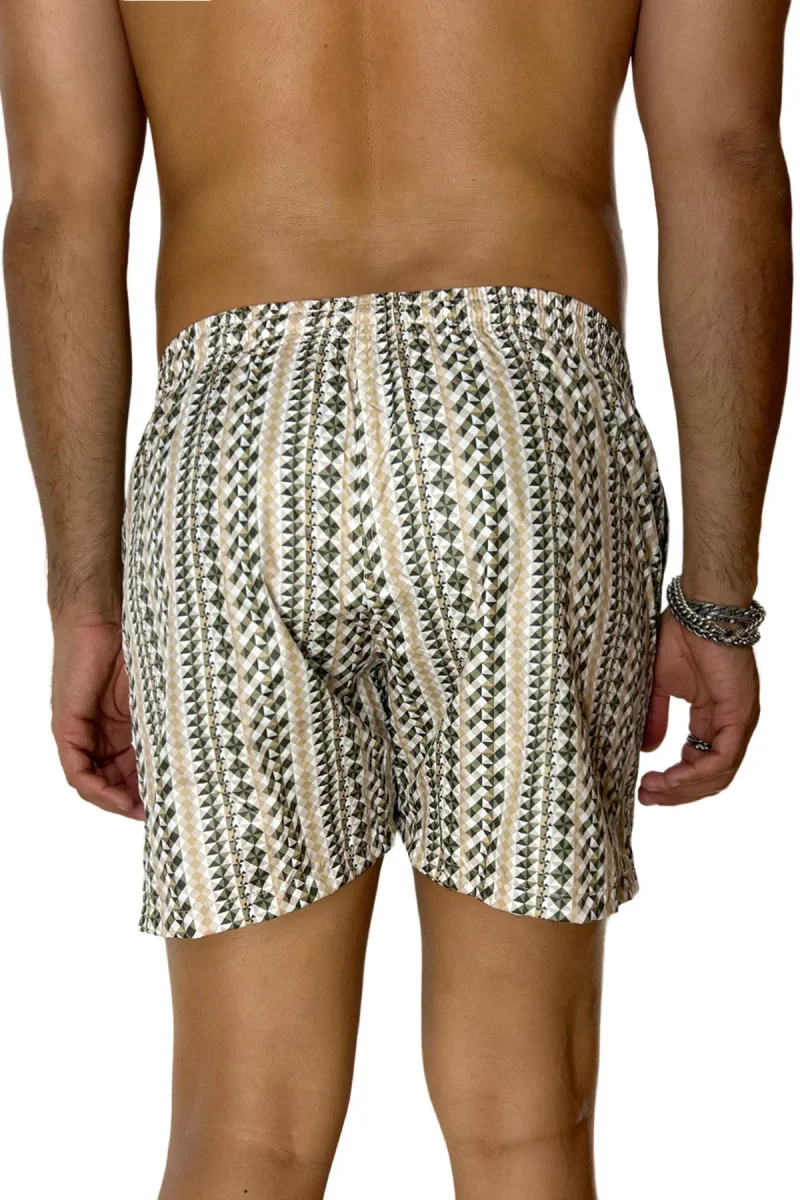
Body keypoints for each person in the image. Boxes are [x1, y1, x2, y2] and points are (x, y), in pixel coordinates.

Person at [0, 1, 791, 1196]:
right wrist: (717, 599)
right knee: (521, 1117)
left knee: (246, 1123)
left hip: (234, 438)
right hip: (518, 419)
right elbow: (726, 155)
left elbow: (57, 206)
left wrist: (84, 599)